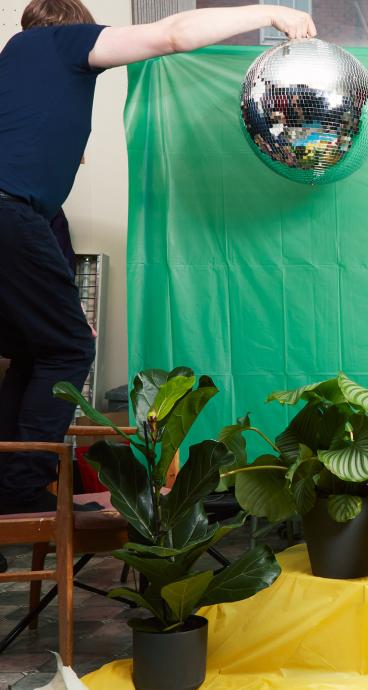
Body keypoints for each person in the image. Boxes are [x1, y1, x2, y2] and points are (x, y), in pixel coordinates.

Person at [0, 0, 316, 514]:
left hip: (17, 217)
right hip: (10, 214)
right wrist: (270, 11)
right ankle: (19, 494)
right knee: (65, 351)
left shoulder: (15, 70)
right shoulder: (56, 42)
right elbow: (172, 34)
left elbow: (43, 217)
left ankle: (8, 492)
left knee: (36, 350)